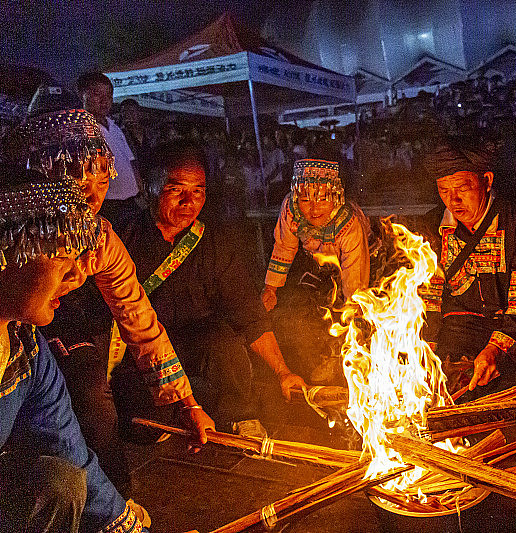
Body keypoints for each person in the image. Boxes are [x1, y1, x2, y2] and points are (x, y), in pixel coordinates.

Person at [3, 89, 215, 490]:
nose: (92, 196)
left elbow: (136, 312)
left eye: (101, 178)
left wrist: (188, 402)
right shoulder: (11, 230)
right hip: (25, 330)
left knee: (88, 391)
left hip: (63, 328)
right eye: (74, 178)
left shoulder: (99, 238)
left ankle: (115, 504)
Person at [114, 139, 306, 431]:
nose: (189, 203)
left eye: (198, 192)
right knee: (146, 424)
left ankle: (241, 418)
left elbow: (248, 313)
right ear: (150, 187)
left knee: (225, 343)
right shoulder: (121, 239)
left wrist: (283, 372)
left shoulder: (215, 242)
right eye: (176, 190)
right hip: (140, 350)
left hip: (196, 344)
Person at [0, 164, 146, 533]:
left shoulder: (27, 348)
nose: (78, 276)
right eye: (63, 256)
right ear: (8, 252)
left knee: (58, 481)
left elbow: (68, 450)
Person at [420, 136, 516, 399]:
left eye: (463, 188)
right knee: (444, 386)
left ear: (486, 181)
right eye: (444, 190)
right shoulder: (433, 226)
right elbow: (429, 294)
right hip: (465, 324)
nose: (453, 200)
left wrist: (495, 348)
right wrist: (425, 342)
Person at [262, 157, 370, 383]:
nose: (313, 208)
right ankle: (312, 368)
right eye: (304, 199)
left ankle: (347, 368)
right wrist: (270, 288)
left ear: (336, 196)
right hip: (314, 265)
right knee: (302, 312)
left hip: (356, 267)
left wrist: (354, 310)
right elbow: (284, 246)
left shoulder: (348, 223)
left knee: (347, 315)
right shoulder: (291, 209)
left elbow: (354, 272)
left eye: (322, 199)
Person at [77, 72, 143, 230]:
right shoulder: (80, 129)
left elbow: (131, 161)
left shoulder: (114, 127)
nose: (104, 101)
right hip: (106, 207)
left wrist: (141, 192)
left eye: (108, 95)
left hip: (133, 203)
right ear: (81, 96)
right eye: (96, 94)